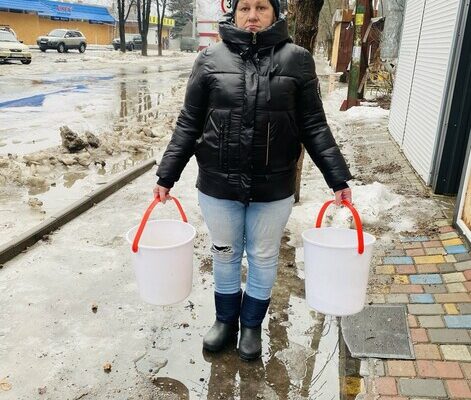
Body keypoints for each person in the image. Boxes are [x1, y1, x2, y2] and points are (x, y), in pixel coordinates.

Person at [153, 0, 353, 361]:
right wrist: (167, 174)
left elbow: (314, 126)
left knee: (262, 256)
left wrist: (337, 178)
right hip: (218, 184)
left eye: (262, 7)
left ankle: (251, 325)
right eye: (245, 7)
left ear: (275, 13)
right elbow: (189, 122)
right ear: (234, 13)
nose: (253, 15)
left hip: (273, 186)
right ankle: (225, 321)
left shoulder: (297, 60)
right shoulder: (210, 59)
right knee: (225, 254)